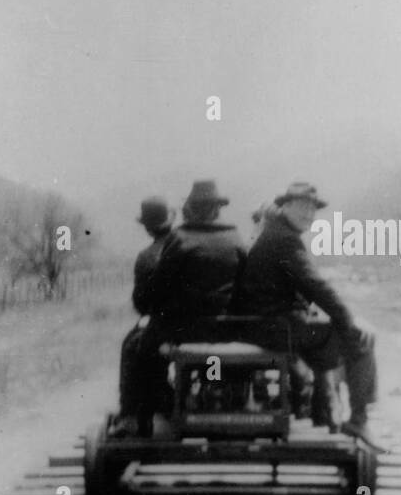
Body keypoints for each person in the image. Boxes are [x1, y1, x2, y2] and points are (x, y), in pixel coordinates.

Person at [231, 181, 379, 446]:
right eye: (301, 207)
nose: (308, 215)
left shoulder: (276, 233)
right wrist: (348, 320)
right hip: (275, 329)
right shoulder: (285, 240)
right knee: (361, 340)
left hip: (268, 325)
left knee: (329, 334)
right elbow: (316, 285)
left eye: (312, 210)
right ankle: (358, 421)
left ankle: (326, 415)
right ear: (285, 206)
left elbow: (308, 287)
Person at [139, 180, 248, 428]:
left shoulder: (179, 239)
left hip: (185, 330)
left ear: (191, 208)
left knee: (144, 348)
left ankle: (151, 412)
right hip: (228, 329)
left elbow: (157, 290)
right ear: (217, 209)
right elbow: (245, 288)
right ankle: (229, 397)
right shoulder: (237, 239)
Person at [109, 196, 175, 437]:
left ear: (147, 227)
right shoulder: (186, 245)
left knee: (132, 345)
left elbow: (141, 303)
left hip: (163, 326)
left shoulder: (147, 256)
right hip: (200, 327)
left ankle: (130, 414)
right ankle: (165, 399)